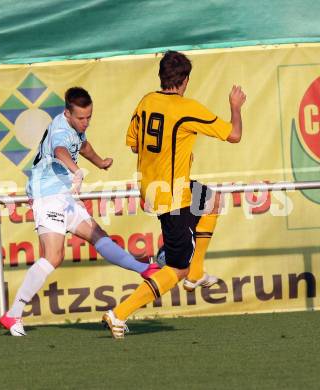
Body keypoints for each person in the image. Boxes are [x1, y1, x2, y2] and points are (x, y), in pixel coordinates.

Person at [103, 50, 246, 338]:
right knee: (175, 271)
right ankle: (119, 313)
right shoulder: (186, 108)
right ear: (185, 80)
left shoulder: (146, 101)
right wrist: (235, 106)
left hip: (155, 189)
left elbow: (134, 144)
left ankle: (196, 272)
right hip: (172, 198)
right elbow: (234, 135)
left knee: (212, 200)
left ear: (161, 76)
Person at [0, 87, 159, 336]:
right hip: (47, 195)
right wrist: (76, 170)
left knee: (98, 235)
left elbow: (82, 146)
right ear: (67, 113)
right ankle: (13, 315)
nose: (85, 122)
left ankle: (144, 269)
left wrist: (100, 162)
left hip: (64, 195)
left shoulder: (76, 128)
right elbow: (60, 151)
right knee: (54, 256)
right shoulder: (61, 129)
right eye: (81, 118)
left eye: (89, 117)